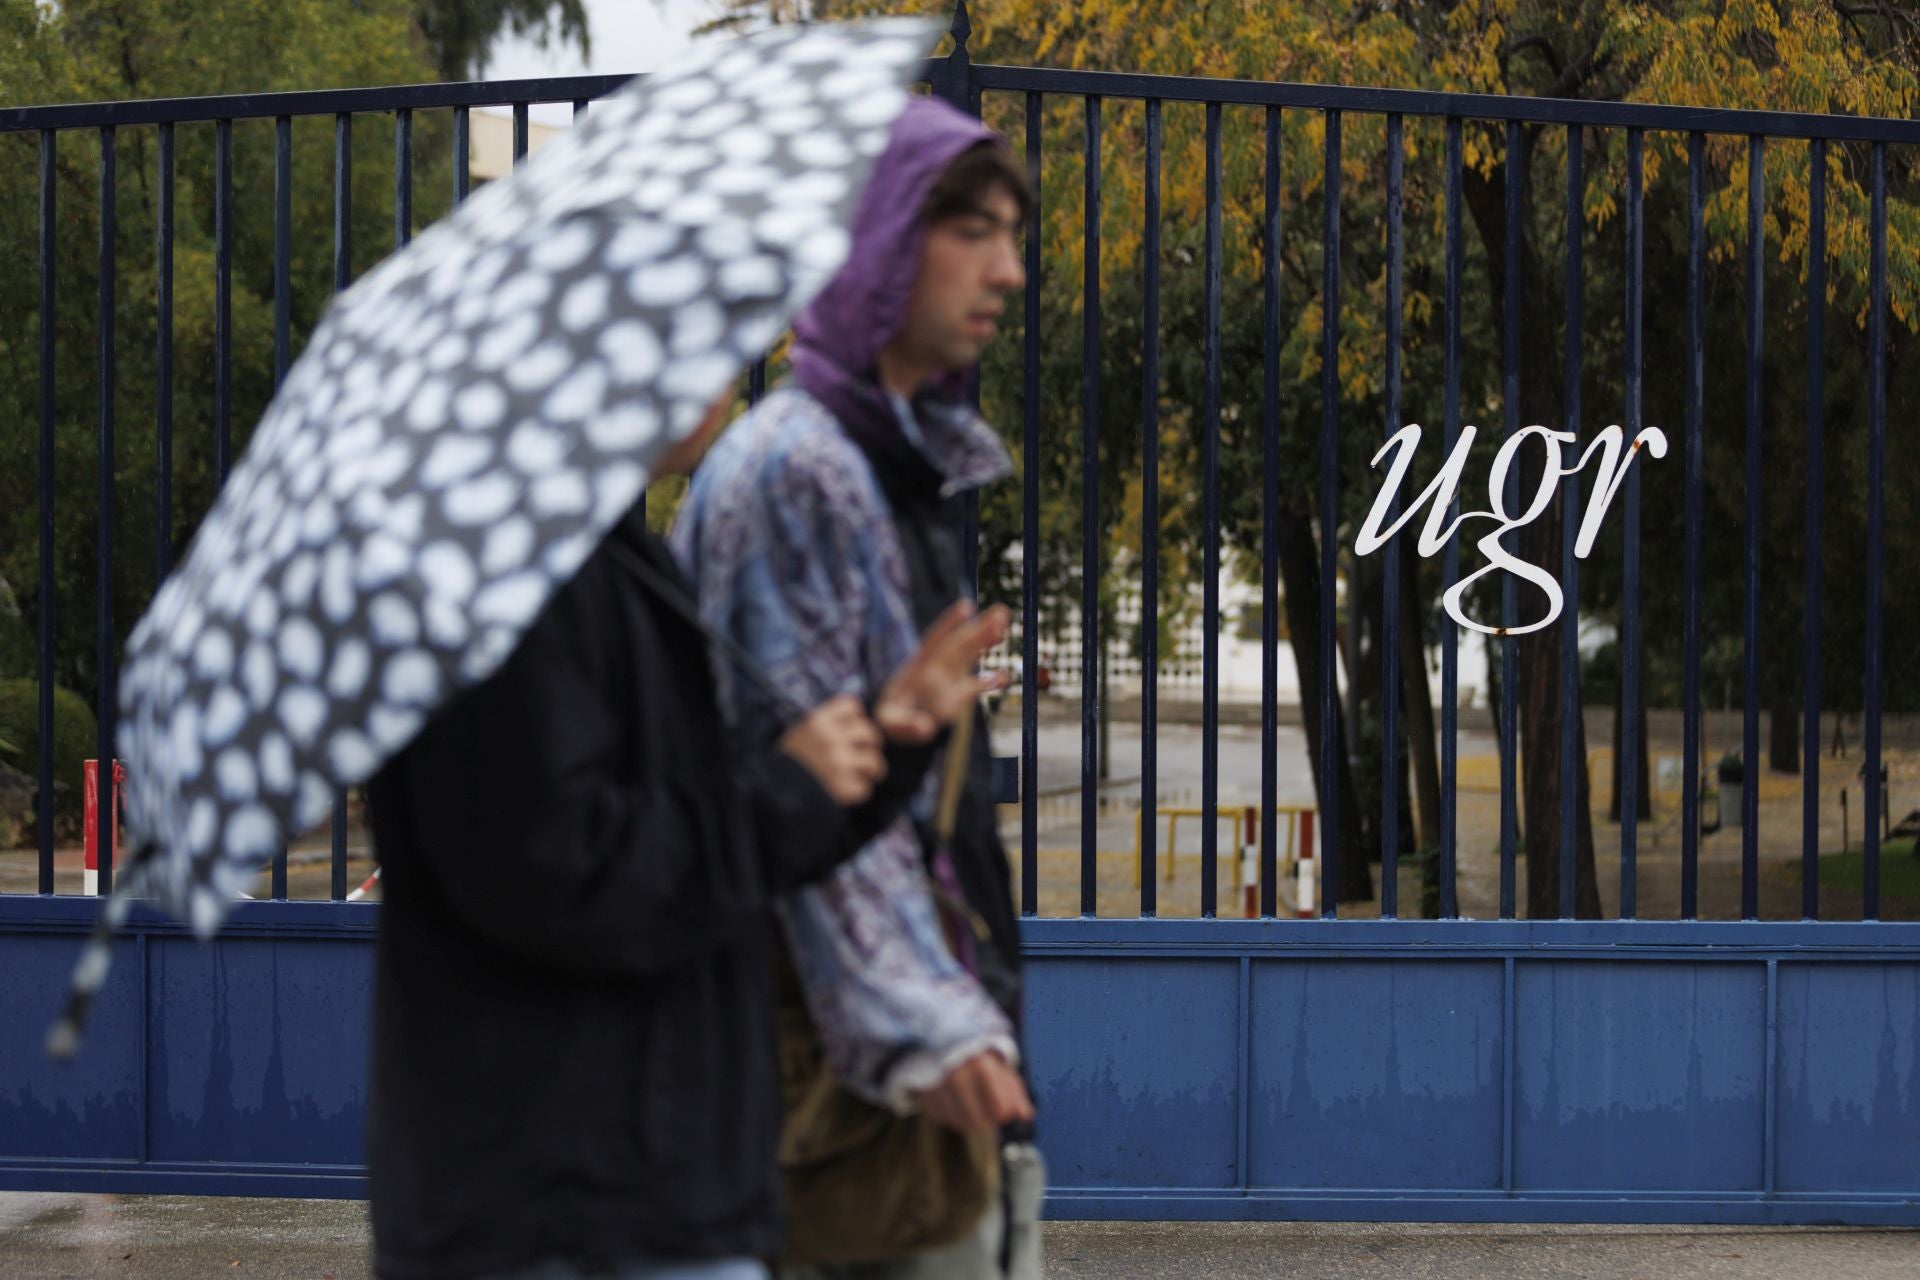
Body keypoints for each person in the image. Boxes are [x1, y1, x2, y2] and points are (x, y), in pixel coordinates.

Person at [363, 391, 1011, 1280]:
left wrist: (880, 746)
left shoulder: (610, 557)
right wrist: (790, 786)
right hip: (561, 1213)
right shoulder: (501, 580)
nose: (720, 372)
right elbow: (570, 875)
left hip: (647, 1191)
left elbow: (701, 835)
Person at [672, 97, 1042, 1280]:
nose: (1010, 271)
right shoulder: (795, 472)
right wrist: (925, 1027)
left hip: (909, 1072)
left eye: (1014, 235)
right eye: (974, 231)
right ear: (881, 239)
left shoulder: (890, 454)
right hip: (857, 1096)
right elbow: (809, 803)